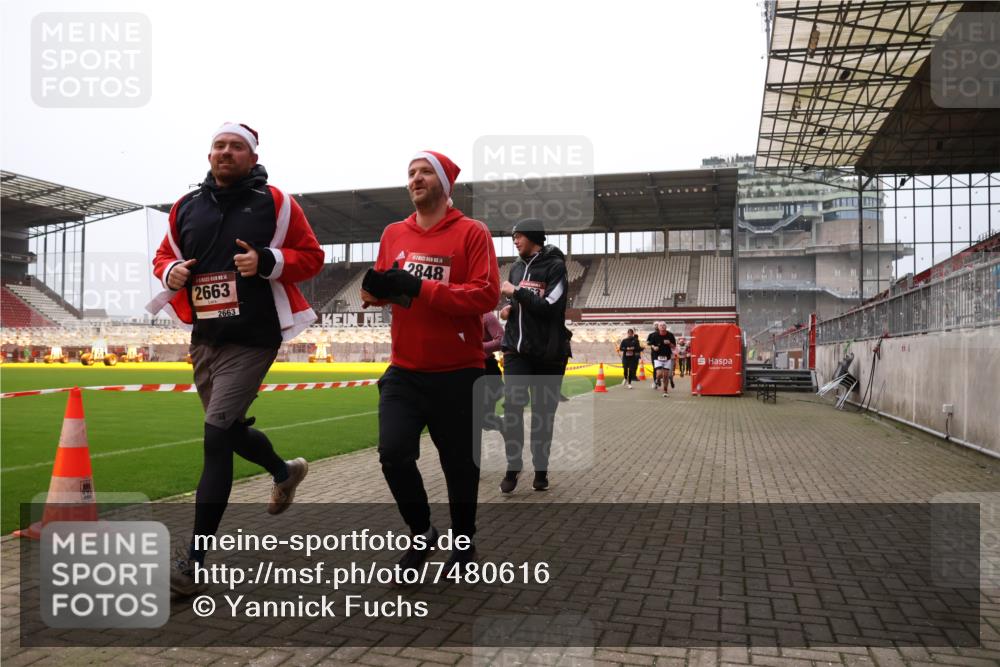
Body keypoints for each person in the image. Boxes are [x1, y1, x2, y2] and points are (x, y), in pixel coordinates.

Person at [147, 122, 324, 596]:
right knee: (229, 430)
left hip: (253, 337)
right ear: (209, 156)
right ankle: (285, 471)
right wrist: (173, 271)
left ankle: (193, 564)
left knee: (216, 438)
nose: (225, 152)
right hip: (206, 338)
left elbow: (312, 256)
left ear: (252, 156)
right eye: (218, 146)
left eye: (236, 146)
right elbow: (163, 256)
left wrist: (268, 261)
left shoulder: (277, 204)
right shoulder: (186, 207)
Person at [360, 150, 499, 578]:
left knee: (459, 467)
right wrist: (375, 290)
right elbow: (391, 290)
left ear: (444, 183)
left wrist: (419, 287)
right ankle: (421, 533)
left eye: (425, 173)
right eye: (411, 173)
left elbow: (485, 296)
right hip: (405, 369)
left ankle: (464, 542)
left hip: (459, 371)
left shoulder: (472, 233)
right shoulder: (393, 233)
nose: (415, 179)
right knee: (393, 454)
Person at [497, 219, 573, 494]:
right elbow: (515, 301)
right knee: (512, 408)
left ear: (532, 238)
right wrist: (507, 308)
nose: (514, 241)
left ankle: (541, 468)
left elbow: (549, 306)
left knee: (543, 415)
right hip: (516, 351)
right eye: (513, 237)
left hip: (548, 353)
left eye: (518, 236)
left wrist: (516, 292)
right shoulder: (516, 268)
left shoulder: (556, 267)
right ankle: (512, 465)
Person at [482, 310, 505, 432]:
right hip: (465, 370)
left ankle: (506, 427)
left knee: (486, 421)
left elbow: (502, 340)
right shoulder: (457, 316)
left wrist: (478, 347)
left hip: (488, 369)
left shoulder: (487, 316)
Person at [647, 322, 675, 397]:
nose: (662, 327)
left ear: (666, 327)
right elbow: (651, 344)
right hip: (657, 357)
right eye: (660, 326)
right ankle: (657, 380)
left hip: (667, 357)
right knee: (659, 374)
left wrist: (669, 343)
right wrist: (654, 347)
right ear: (658, 327)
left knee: (666, 375)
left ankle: (665, 391)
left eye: (664, 325)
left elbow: (674, 346)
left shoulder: (670, 335)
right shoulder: (654, 335)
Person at [646, 322, 663, 389]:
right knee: (655, 368)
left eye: (657, 325)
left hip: (663, 354)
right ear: (653, 326)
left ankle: (659, 379)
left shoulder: (664, 334)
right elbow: (648, 342)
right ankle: (655, 381)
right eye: (655, 325)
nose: (656, 326)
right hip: (654, 354)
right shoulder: (651, 335)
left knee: (662, 369)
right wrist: (652, 345)